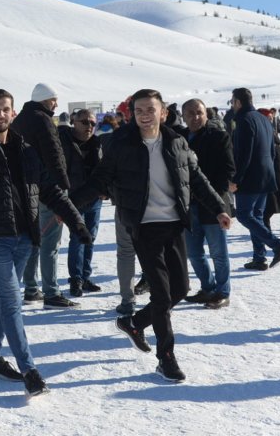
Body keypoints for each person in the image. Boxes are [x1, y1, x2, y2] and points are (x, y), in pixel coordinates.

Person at [93, 89, 231, 383]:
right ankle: (166, 358)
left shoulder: (176, 141)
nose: (145, 115)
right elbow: (100, 176)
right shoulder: (120, 142)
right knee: (161, 292)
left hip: (174, 224)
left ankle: (134, 323)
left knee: (180, 289)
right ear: (132, 114)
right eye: (139, 110)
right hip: (143, 226)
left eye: (150, 109)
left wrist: (219, 208)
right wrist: (72, 206)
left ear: (163, 113)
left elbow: (196, 178)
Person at [0, 88, 90, 397]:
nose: (0, 114)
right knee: (12, 300)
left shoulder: (25, 149)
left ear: (13, 113)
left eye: (5, 109)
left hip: (24, 238)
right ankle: (29, 369)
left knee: (6, 300)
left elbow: (50, 190)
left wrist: (77, 222)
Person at [15, 83, 76, 309]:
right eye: (53, 100)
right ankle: (51, 292)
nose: (56, 104)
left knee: (33, 241)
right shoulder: (43, 120)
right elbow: (54, 156)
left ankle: (31, 289)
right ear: (43, 100)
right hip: (49, 190)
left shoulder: (19, 120)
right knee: (50, 243)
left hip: (26, 190)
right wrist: (63, 188)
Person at [180, 99, 236, 309]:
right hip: (188, 205)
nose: (195, 117)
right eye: (191, 113)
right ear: (183, 116)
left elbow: (229, 169)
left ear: (206, 114)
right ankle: (208, 287)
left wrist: (214, 197)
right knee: (193, 252)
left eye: (199, 113)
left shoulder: (219, 137)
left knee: (218, 252)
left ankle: (222, 292)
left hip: (213, 205)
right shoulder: (180, 138)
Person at [229, 88, 280, 271]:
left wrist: (236, 179)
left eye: (232, 102)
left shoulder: (243, 120)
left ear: (238, 102)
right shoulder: (263, 118)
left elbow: (243, 153)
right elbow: (273, 150)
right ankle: (259, 258)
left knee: (244, 215)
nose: (232, 105)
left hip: (250, 177)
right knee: (256, 216)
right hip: (266, 175)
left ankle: (278, 245)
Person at [59, 108, 103, 298]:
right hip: (73, 199)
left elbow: (106, 169)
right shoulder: (64, 142)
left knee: (90, 238)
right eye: (85, 122)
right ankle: (75, 278)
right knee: (77, 238)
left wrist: (105, 189)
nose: (89, 126)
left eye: (93, 123)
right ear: (73, 122)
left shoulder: (97, 143)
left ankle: (85, 276)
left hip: (94, 198)